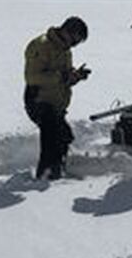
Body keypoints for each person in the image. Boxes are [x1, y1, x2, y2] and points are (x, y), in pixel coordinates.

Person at [24, 16, 90, 180]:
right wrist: (62, 76)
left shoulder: (65, 49)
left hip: (56, 103)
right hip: (39, 101)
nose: (75, 44)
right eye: (75, 39)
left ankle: (57, 170)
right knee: (52, 140)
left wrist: (75, 77)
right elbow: (32, 77)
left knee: (64, 136)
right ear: (67, 31)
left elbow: (63, 78)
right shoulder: (42, 45)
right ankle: (46, 177)